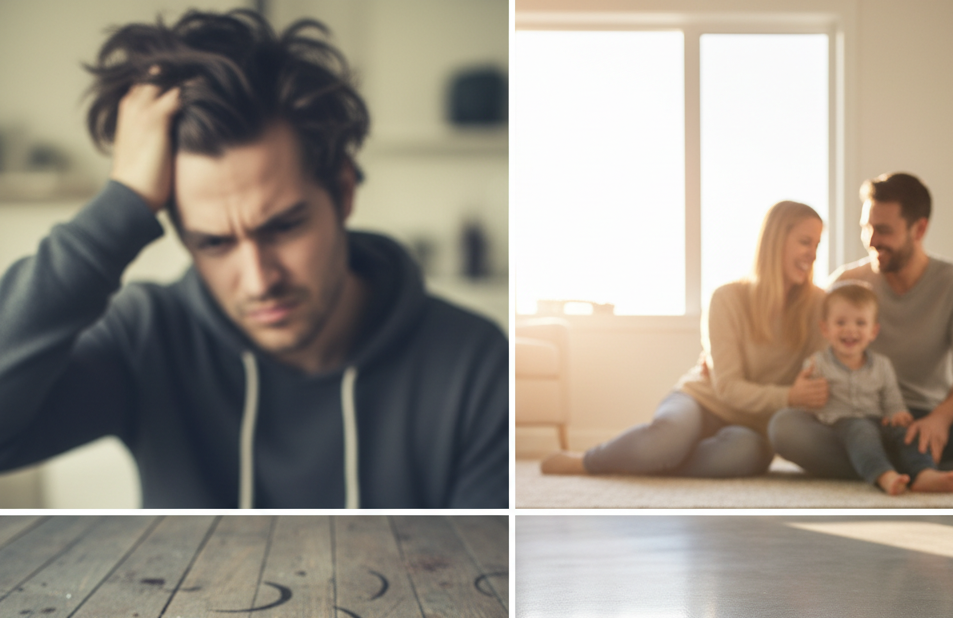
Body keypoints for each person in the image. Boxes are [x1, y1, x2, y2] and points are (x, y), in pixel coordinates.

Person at [0, 10, 507, 509]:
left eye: (284, 227)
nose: (259, 280)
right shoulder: (148, 337)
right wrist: (123, 202)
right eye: (214, 243)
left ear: (344, 191)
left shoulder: (475, 366)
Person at [541, 201, 828, 479]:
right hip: (701, 401)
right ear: (776, 241)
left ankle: (653, 464)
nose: (812, 254)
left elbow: (815, 382)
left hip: (754, 427)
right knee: (663, 443)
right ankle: (589, 461)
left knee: (743, 456)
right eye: (805, 242)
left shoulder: (818, 305)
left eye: (817, 245)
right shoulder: (727, 298)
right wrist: (789, 396)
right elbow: (727, 386)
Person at [769, 172, 953, 481]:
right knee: (784, 427)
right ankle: (928, 468)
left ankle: (879, 467)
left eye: (883, 230)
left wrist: (940, 421)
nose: (871, 240)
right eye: (867, 228)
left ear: (919, 229)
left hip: (925, 416)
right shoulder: (845, 284)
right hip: (858, 417)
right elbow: (804, 341)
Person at [808, 282, 953, 495]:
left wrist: (897, 413)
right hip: (840, 423)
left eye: (860, 323)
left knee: (907, 432)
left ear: (873, 331)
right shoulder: (817, 364)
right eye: (841, 322)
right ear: (825, 328)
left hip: (878, 420)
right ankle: (884, 475)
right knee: (860, 430)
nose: (850, 329)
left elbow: (891, 397)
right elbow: (806, 396)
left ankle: (923, 473)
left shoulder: (882, 365)